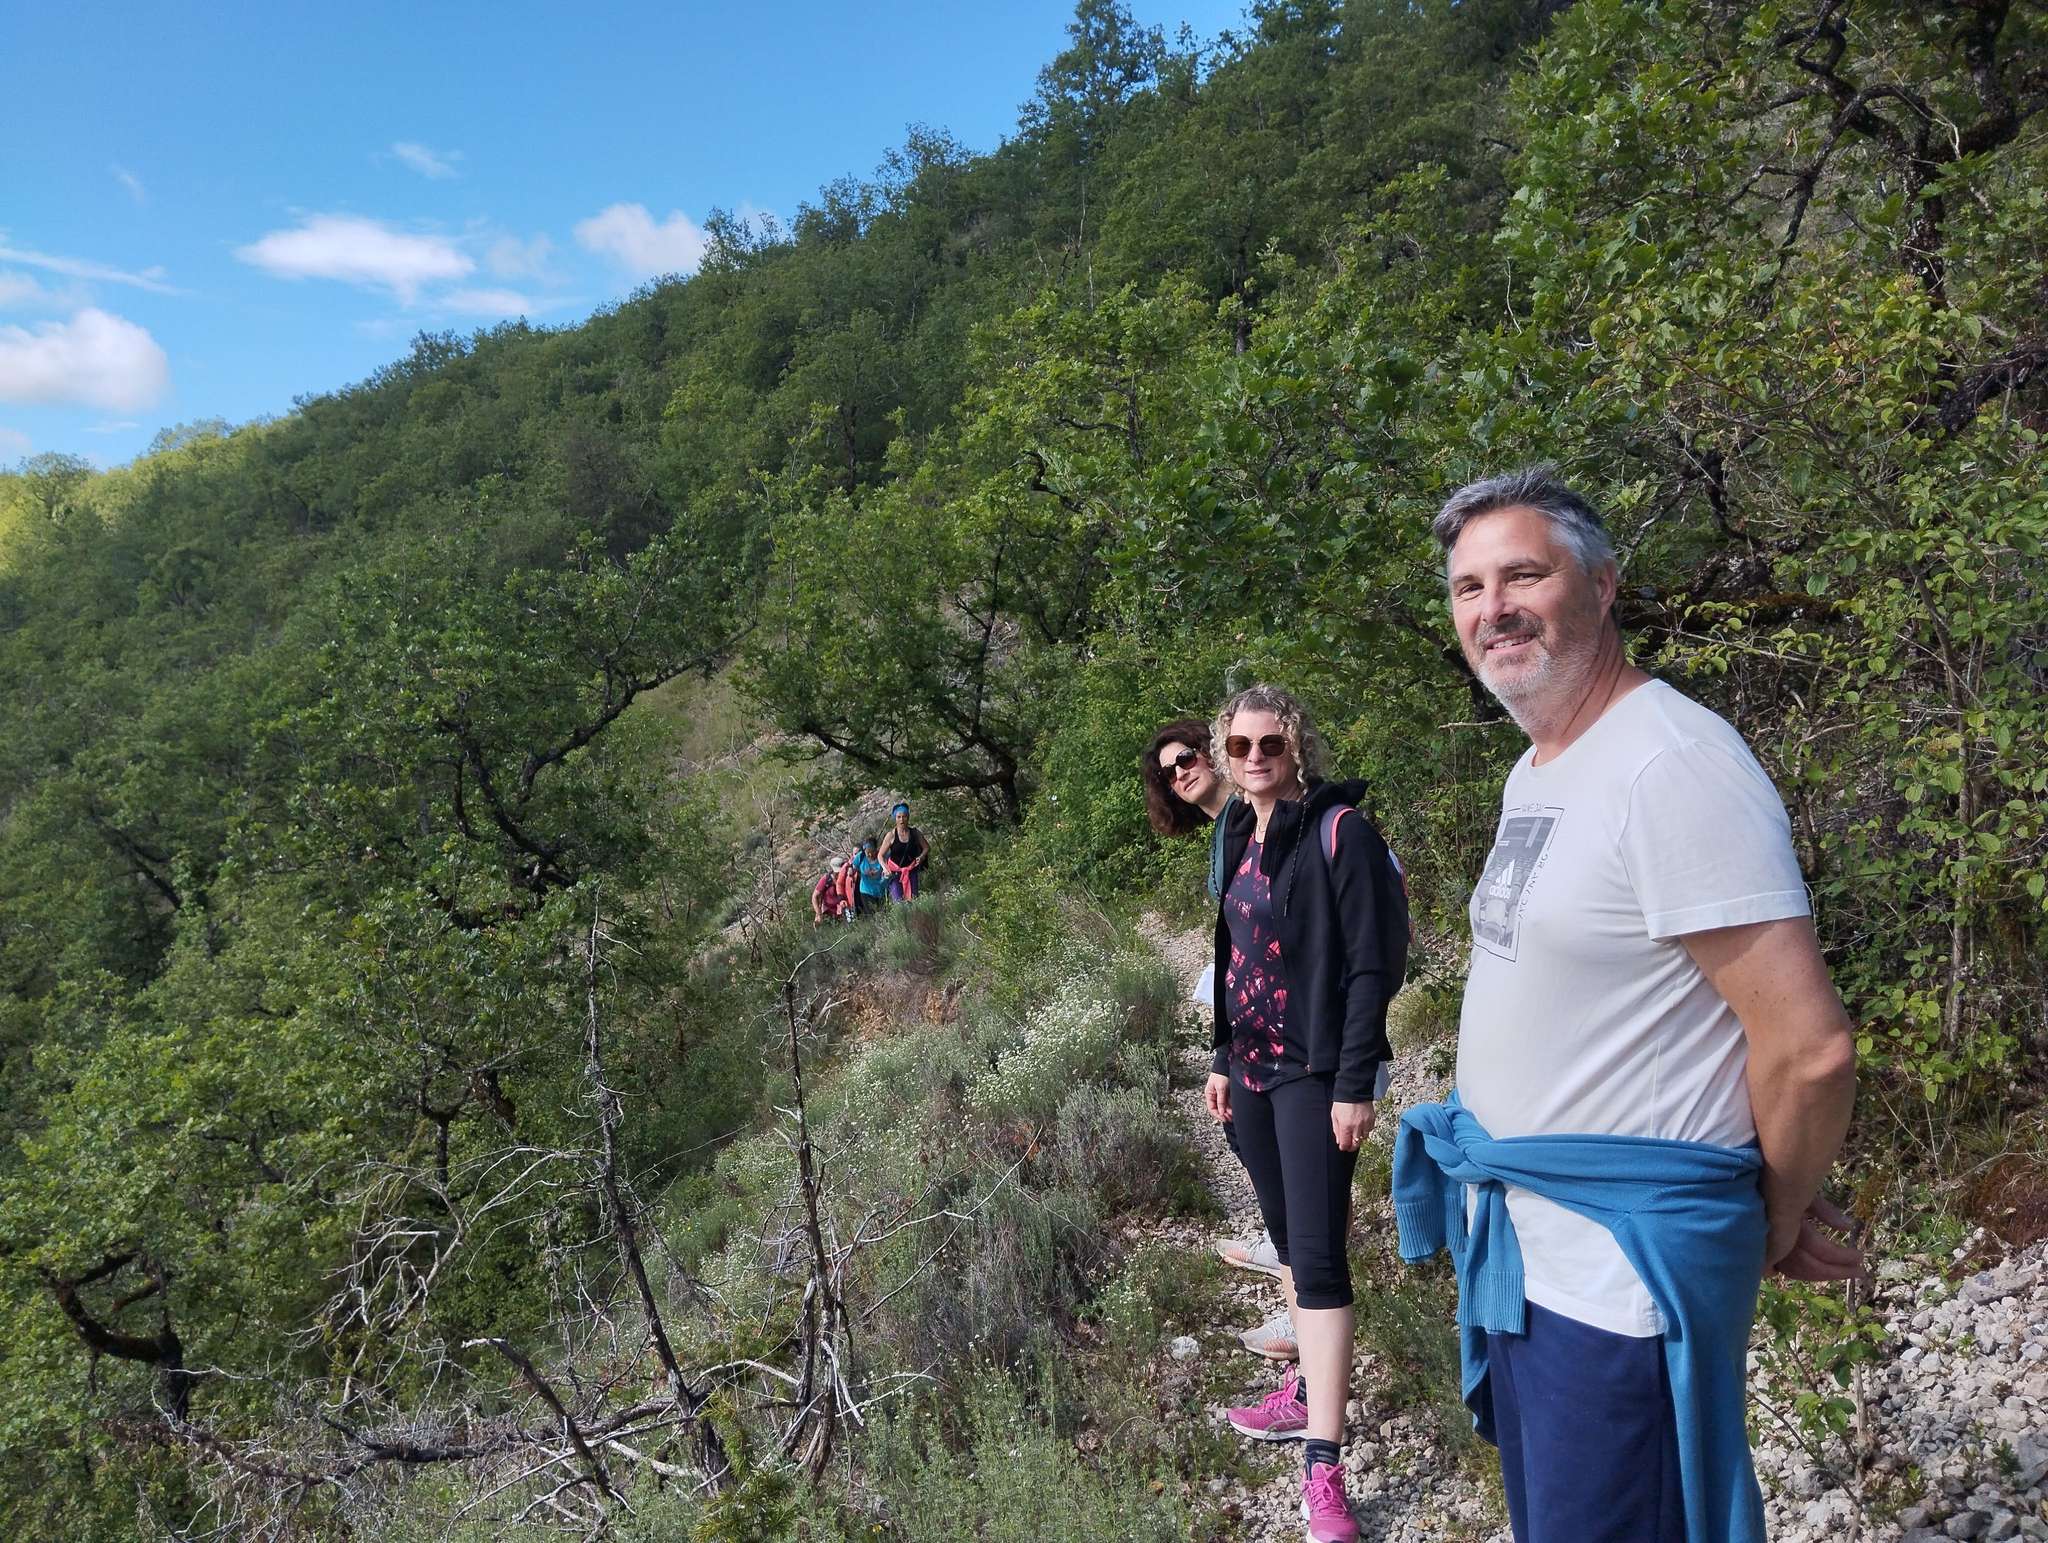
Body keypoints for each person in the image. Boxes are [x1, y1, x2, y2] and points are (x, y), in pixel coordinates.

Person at [1392, 467, 1860, 1543]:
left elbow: (1807, 1049)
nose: (1492, 608)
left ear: (1601, 585)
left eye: (1523, 575)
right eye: (1468, 587)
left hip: (1616, 1282)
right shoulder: (1540, 766)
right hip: (1528, 1252)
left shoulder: (1670, 764)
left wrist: (1772, 1215)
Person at [1207, 686, 1407, 1543]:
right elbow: (1233, 949)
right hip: (1251, 1072)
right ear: (1225, 752)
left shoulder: (1339, 831)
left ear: (1296, 748)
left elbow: (1370, 966)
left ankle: (1324, 1466)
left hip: (1314, 1072)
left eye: (1271, 744)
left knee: (1319, 1263)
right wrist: (1220, 1056)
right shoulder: (1235, 829)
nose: (1256, 758)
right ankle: (1303, 1393)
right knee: (1289, 1242)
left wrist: (1354, 1082)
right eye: (1241, 745)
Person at [1144, 719, 1294, 1361]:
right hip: (1253, 1022)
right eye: (1169, 772)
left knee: (1295, 1166)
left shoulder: (1254, 816)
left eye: (1188, 757)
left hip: (1288, 1030)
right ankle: (1289, 1251)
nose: (1181, 772)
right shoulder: (1228, 828)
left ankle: (1302, 1288)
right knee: (1257, 1146)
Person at [880, 802, 929, 901]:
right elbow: (880, 855)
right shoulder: (891, 835)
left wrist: (922, 856)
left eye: (904, 816)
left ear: (908, 817)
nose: (901, 820)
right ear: (895, 818)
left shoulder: (915, 833)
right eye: (899, 817)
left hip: (911, 871)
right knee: (899, 902)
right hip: (894, 873)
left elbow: (926, 847)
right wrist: (885, 868)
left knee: (913, 900)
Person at [851, 837, 888, 918]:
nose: (869, 855)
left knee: (883, 914)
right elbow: (853, 867)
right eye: (867, 852)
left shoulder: (882, 856)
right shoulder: (860, 856)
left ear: (876, 849)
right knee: (872, 916)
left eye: (872, 852)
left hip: (881, 890)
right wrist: (852, 872)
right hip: (866, 891)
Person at [811, 858, 851, 925]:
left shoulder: (846, 877)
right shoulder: (826, 879)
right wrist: (818, 914)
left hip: (845, 911)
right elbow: (814, 897)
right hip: (829, 913)